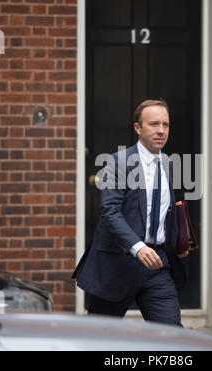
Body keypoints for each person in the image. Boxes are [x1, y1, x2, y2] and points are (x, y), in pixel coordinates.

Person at [72, 99, 186, 326]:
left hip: (157, 266)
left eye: (166, 124)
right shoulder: (118, 163)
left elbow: (168, 210)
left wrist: (180, 240)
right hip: (118, 265)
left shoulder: (169, 164)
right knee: (99, 337)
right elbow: (110, 212)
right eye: (154, 124)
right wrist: (138, 247)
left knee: (172, 335)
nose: (161, 131)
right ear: (138, 128)